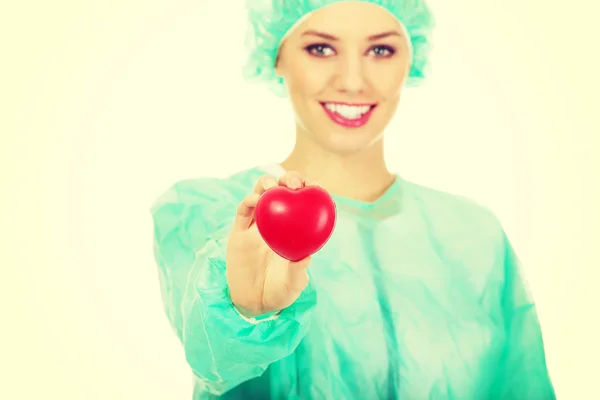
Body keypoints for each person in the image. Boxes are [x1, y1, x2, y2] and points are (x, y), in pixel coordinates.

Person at [150, 1, 556, 399]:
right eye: (321, 48)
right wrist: (248, 314)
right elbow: (212, 359)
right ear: (276, 57)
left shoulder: (474, 234)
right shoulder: (214, 215)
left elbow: (521, 386)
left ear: (410, 61)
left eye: (380, 50)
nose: (352, 81)